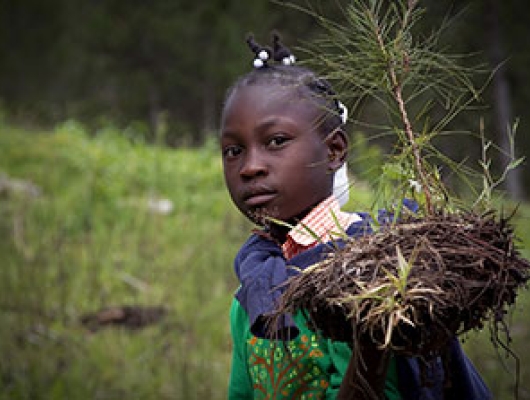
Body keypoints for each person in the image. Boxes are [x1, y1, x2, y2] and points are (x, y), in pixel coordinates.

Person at [220, 33, 491, 400]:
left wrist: (372, 339)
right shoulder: (254, 286)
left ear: (334, 150)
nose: (250, 167)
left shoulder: (369, 267)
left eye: (277, 141)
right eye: (234, 150)